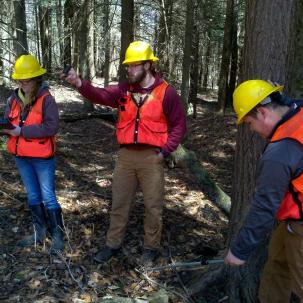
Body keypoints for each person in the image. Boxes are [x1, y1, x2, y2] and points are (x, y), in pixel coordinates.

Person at [62, 41, 187, 265]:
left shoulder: (166, 93)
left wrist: (165, 151)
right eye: (127, 66)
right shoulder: (124, 91)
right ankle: (112, 244)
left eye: (134, 65)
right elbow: (99, 95)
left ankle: (151, 248)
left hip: (152, 157)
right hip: (126, 157)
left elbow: (179, 126)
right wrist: (79, 83)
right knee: (119, 203)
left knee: (153, 206)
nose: (129, 70)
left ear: (148, 65)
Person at [224, 79, 303, 302]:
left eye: (249, 123)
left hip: (300, 225)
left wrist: (239, 251)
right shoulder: (298, 111)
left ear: (262, 112)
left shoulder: (279, 152)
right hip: (291, 223)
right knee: (276, 269)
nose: (252, 130)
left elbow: (264, 207)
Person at [1, 54, 64, 253]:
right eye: (19, 80)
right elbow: (7, 121)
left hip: (42, 158)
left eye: (25, 80)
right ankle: (39, 233)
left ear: (36, 79)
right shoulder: (13, 98)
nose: (21, 84)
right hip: (21, 157)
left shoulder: (47, 99)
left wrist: (22, 131)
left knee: (48, 196)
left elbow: (51, 127)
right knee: (33, 195)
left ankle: (58, 236)